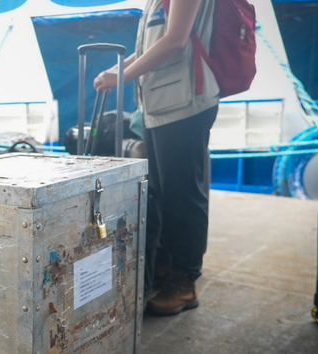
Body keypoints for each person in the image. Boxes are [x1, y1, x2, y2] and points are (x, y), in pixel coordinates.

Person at [94, 0, 219, 316]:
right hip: (160, 105)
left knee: (183, 194)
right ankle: (164, 267)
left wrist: (120, 76)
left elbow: (174, 41)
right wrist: (117, 70)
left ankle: (185, 280)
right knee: (161, 194)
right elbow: (154, 44)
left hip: (184, 103)